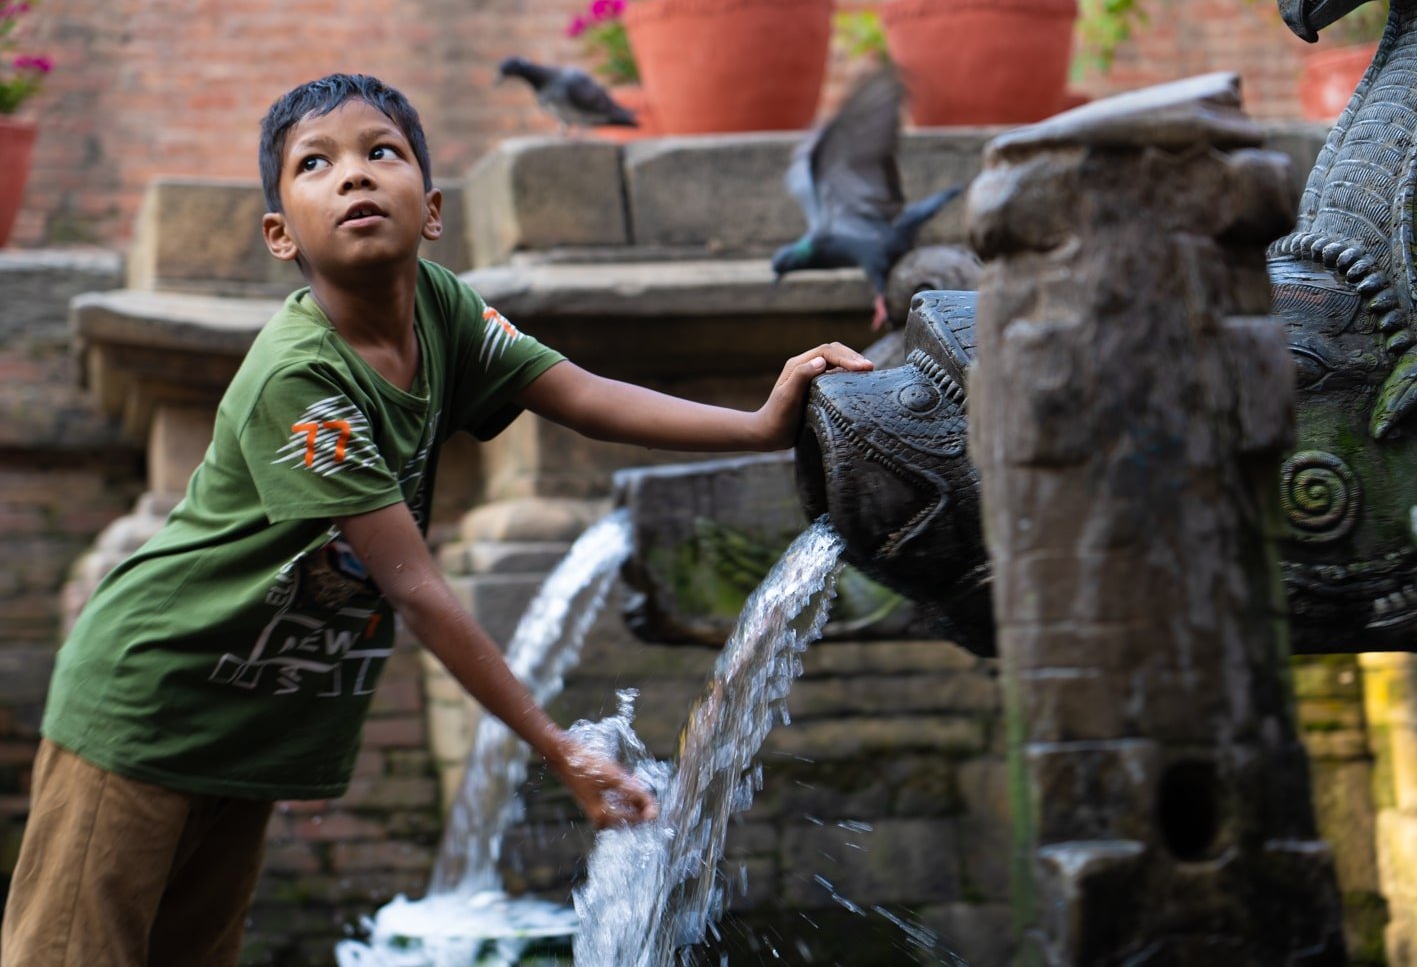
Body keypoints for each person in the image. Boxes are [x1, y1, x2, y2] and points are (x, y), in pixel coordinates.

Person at [0, 72, 873, 966]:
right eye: (316, 164)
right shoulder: (302, 379)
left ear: (433, 211)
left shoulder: (443, 309)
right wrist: (556, 748)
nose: (355, 175)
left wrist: (762, 426)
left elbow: (582, 392)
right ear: (279, 234)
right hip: (150, 697)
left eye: (383, 152)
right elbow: (414, 586)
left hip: (247, 723)